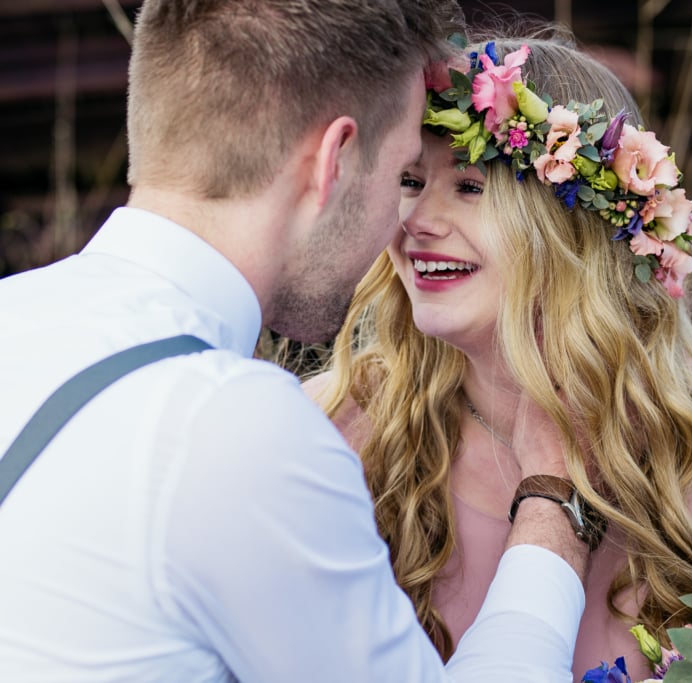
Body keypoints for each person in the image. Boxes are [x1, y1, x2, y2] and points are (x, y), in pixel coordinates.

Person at [0, 5, 596, 682]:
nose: (407, 223)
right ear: (333, 160)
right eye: (404, 173)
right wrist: (554, 507)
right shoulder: (232, 424)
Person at [306, 34, 692, 681]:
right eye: (410, 181)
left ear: (572, 221)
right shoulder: (335, 426)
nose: (417, 219)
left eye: (470, 185)